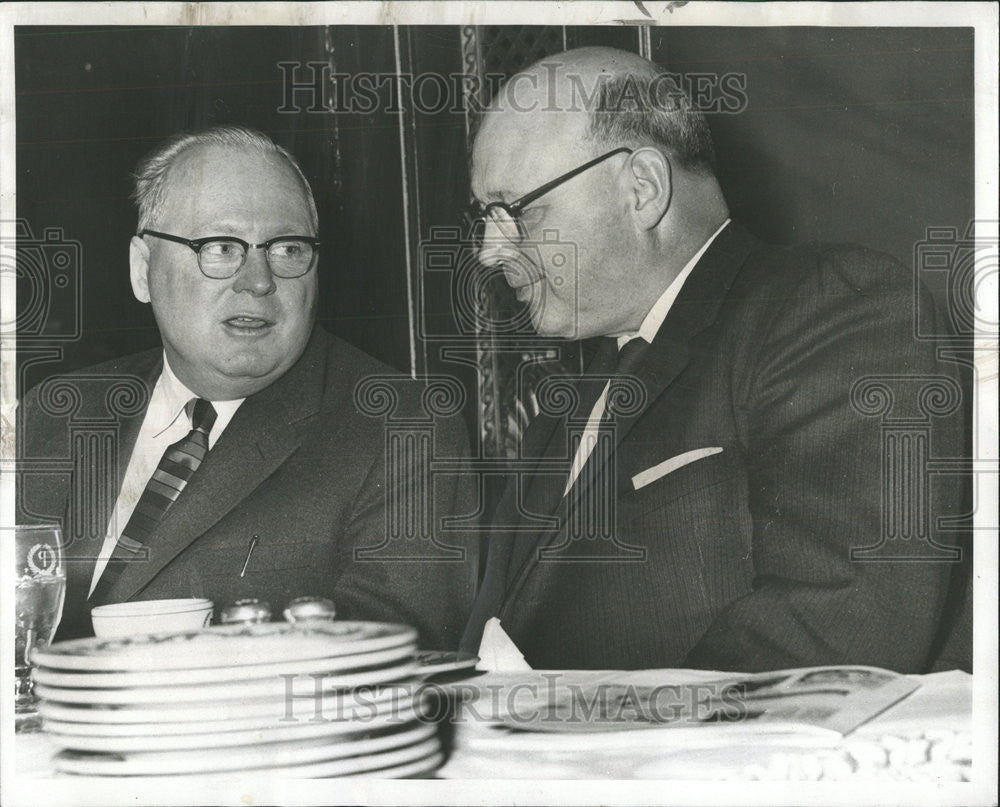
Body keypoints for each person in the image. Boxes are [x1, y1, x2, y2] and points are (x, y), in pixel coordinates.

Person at [459, 48, 966, 673]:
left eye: (515, 210)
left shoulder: (832, 307)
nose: (489, 250)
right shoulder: (566, 403)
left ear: (642, 188)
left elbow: (836, 627)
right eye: (484, 216)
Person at [17, 126, 475, 647]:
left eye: (286, 248)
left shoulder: (402, 429)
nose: (257, 280)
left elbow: (379, 660)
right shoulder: (56, 414)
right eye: (219, 247)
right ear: (143, 269)